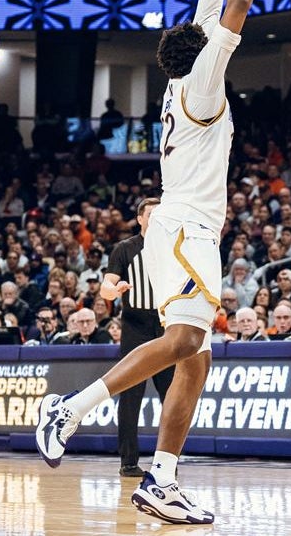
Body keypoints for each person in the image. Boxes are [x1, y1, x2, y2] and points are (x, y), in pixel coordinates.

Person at [35, 0, 267, 525]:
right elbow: (239, 1)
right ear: (205, 56)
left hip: (176, 223)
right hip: (190, 228)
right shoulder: (203, 83)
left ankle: (160, 479)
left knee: (198, 356)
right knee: (188, 340)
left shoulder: (178, 81)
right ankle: (72, 409)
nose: (220, 39)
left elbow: (207, 12)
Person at [101, 196, 174, 478]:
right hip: (135, 323)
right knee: (131, 394)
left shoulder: (172, 247)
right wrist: (111, 290)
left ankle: (167, 462)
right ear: (140, 218)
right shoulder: (125, 248)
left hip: (166, 323)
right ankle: (128, 461)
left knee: (171, 395)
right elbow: (107, 285)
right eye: (151, 213)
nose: (156, 218)